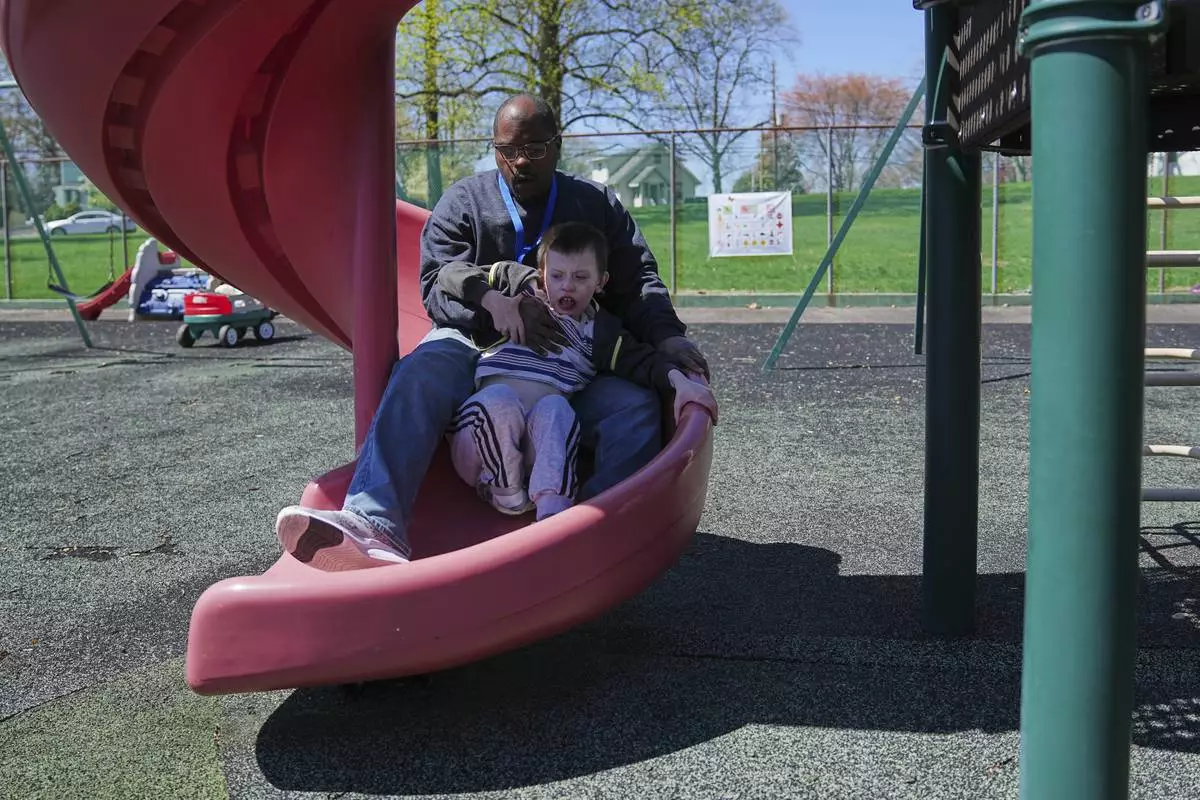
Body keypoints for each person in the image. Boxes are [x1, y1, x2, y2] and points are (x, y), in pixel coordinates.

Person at [275, 92, 709, 572]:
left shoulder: (594, 203)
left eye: (535, 149)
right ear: (494, 148)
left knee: (634, 408)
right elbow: (435, 286)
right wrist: (500, 310)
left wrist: (668, 338)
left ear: (557, 145)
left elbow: (637, 280)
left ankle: (594, 532)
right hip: (481, 349)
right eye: (507, 150)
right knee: (421, 369)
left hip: (568, 360)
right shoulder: (465, 201)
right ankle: (373, 518)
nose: (520, 161)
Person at [442, 221, 718, 521]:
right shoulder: (522, 292)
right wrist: (494, 301)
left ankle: (554, 509)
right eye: (557, 276)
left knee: (556, 408)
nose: (567, 286)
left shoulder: (598, 331)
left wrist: (681, 383)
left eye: (581, 277)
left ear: (601, 281)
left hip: (534, 447)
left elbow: (642, 362)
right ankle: (502, 489)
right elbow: (449, 273)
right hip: (478, 440)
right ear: (542, 272)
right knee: (499, 400)